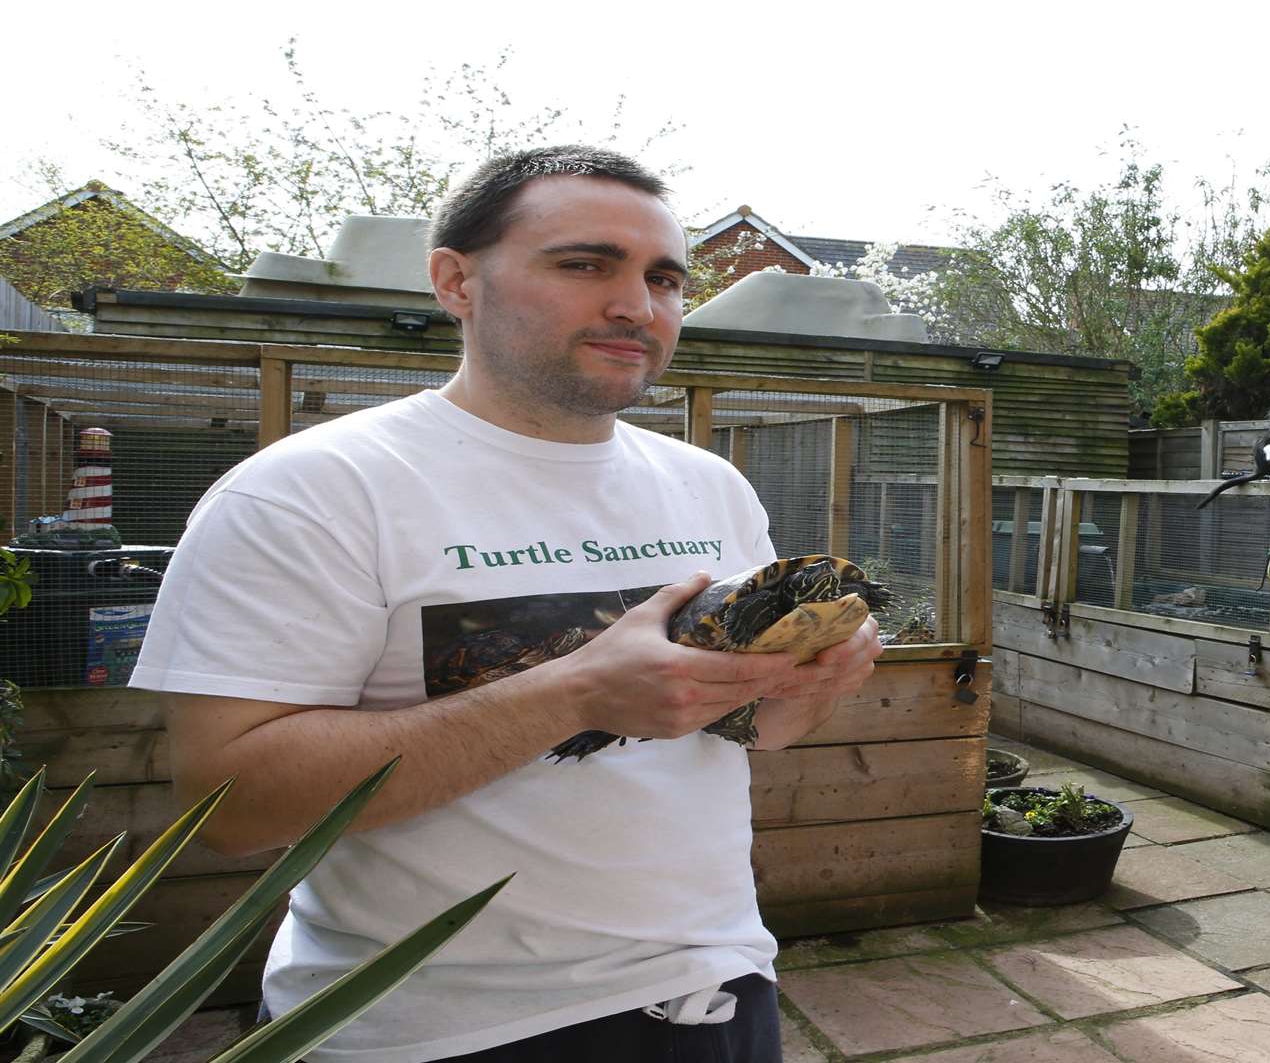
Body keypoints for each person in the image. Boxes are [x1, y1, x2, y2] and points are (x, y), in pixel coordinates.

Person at [130, 144, 881, 1062]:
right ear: (455, 281)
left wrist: (813, 683)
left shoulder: (709, 485)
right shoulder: (313, 490)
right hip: (428, 1028)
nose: (636, 306)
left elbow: (757, 733)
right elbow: (229, 805)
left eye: (664, 278)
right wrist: (574, 696)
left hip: (715, 992)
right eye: (583, 264)